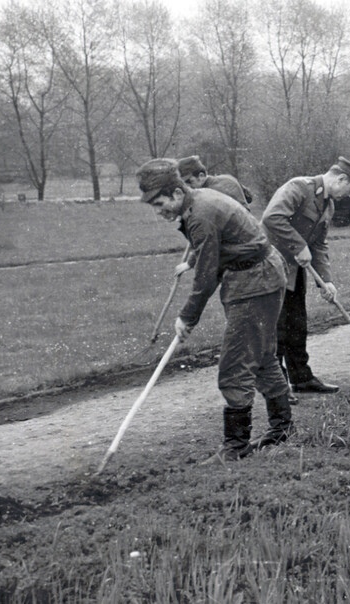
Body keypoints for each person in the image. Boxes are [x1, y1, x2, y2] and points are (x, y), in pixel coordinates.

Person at [137, 158, 293, 461]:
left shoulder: (200, 214)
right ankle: (282, 429)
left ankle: (235, 447)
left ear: (177, 193)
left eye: (159, 203)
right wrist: (192, 260)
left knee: (235, 364)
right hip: (257, 275)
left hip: (255, 280)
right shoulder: (198, 201)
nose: (159, 211)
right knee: (261, 356)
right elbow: (214, 248)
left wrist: (187, 317)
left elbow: (207, 275)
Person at [262, 157, 350, 394]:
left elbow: (320, 245)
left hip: (295, 271)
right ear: (341, 179)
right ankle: (278, 387)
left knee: (297, 325)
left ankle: (301, 379)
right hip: (271, 267)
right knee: (278, 328)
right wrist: (298, 245)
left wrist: (326, 281)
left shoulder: (328, 205)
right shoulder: (298, 187)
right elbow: (272, 217)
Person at [177, 155, 252, 207]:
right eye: (185, 184)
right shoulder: (227, 178)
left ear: (201, 176)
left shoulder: (212, 191)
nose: (189, 187)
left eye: (190, 182)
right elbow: (249, 197)